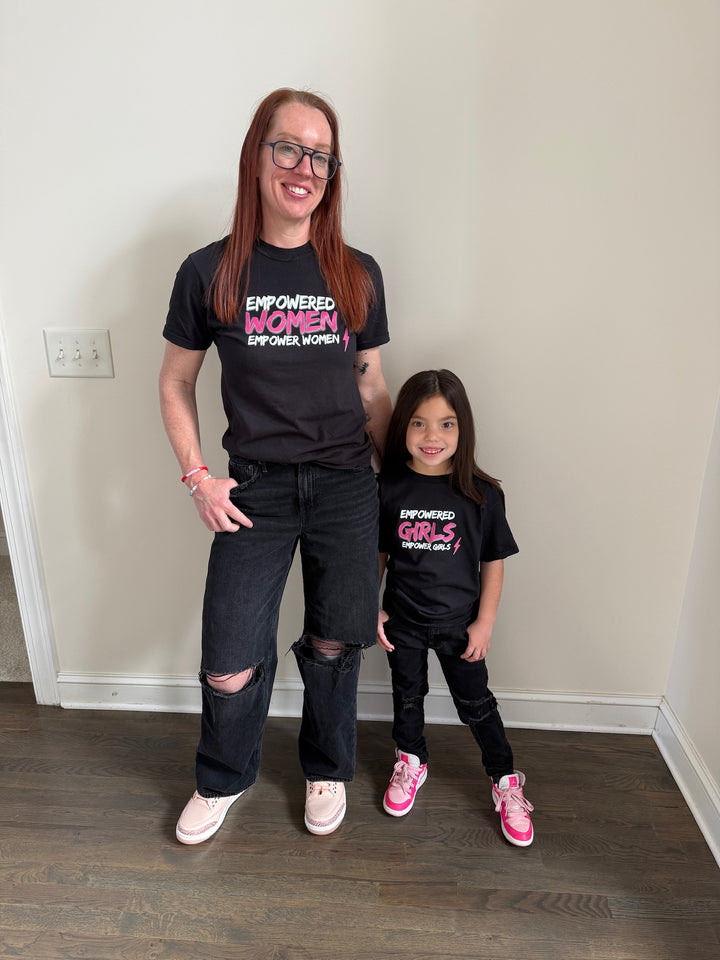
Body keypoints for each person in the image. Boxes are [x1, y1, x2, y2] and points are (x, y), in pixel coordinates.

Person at [159, 88, 392, 843]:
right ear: (256, 155)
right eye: (288, 147)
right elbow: (175, 381)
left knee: (334, 641)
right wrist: (199, 477)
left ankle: (326, 766)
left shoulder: (358, 273)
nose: (305, 167)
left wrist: (401, 496)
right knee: (229, 655)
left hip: (346, 488)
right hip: (254, 488)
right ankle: (224, 776)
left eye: (321, 155)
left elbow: (372, 386)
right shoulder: (208, 271)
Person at [376, 369, 534, 846]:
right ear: (402, 426)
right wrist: (371, 608)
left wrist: (484, 624)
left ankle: (505, 780)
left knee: (476, 705)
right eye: (419, 423)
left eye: (446, 424)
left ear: (462, 429)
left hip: (459, 627)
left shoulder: (483, 494)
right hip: (401, 622)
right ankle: (411, 760)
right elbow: (377, 556)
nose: (432, 436)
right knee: (407, 696)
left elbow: (493, 563)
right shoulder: (388, 488)